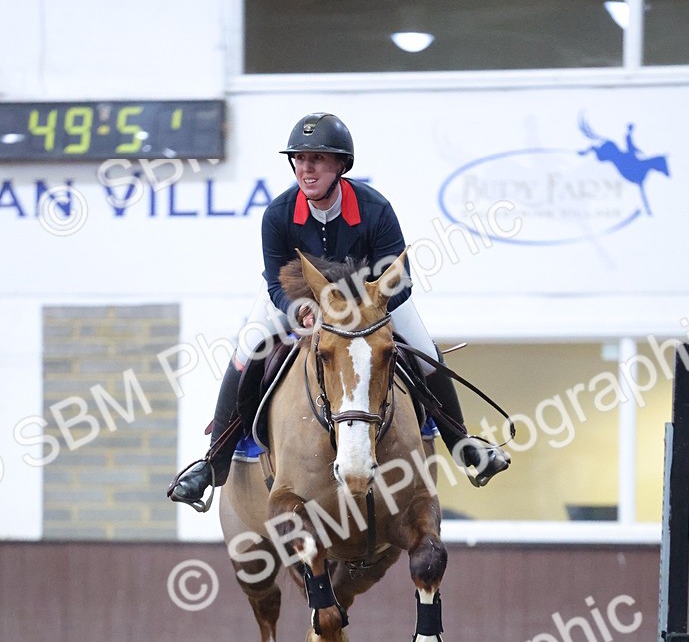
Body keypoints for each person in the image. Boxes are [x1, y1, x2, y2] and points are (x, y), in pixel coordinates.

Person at [169, 111, 509, 510]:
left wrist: (364, 312)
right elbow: (276, 283)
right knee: (247, 351)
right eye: (299, 158)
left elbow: (399, 279)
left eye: (317, 159)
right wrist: (301, 312)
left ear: (340, 165)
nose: (306, 168)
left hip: (368, 303)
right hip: (300, 302)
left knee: (425, 350)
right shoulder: (277, 214)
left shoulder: (374, 208)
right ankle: (212, 464)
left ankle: (463, 445)